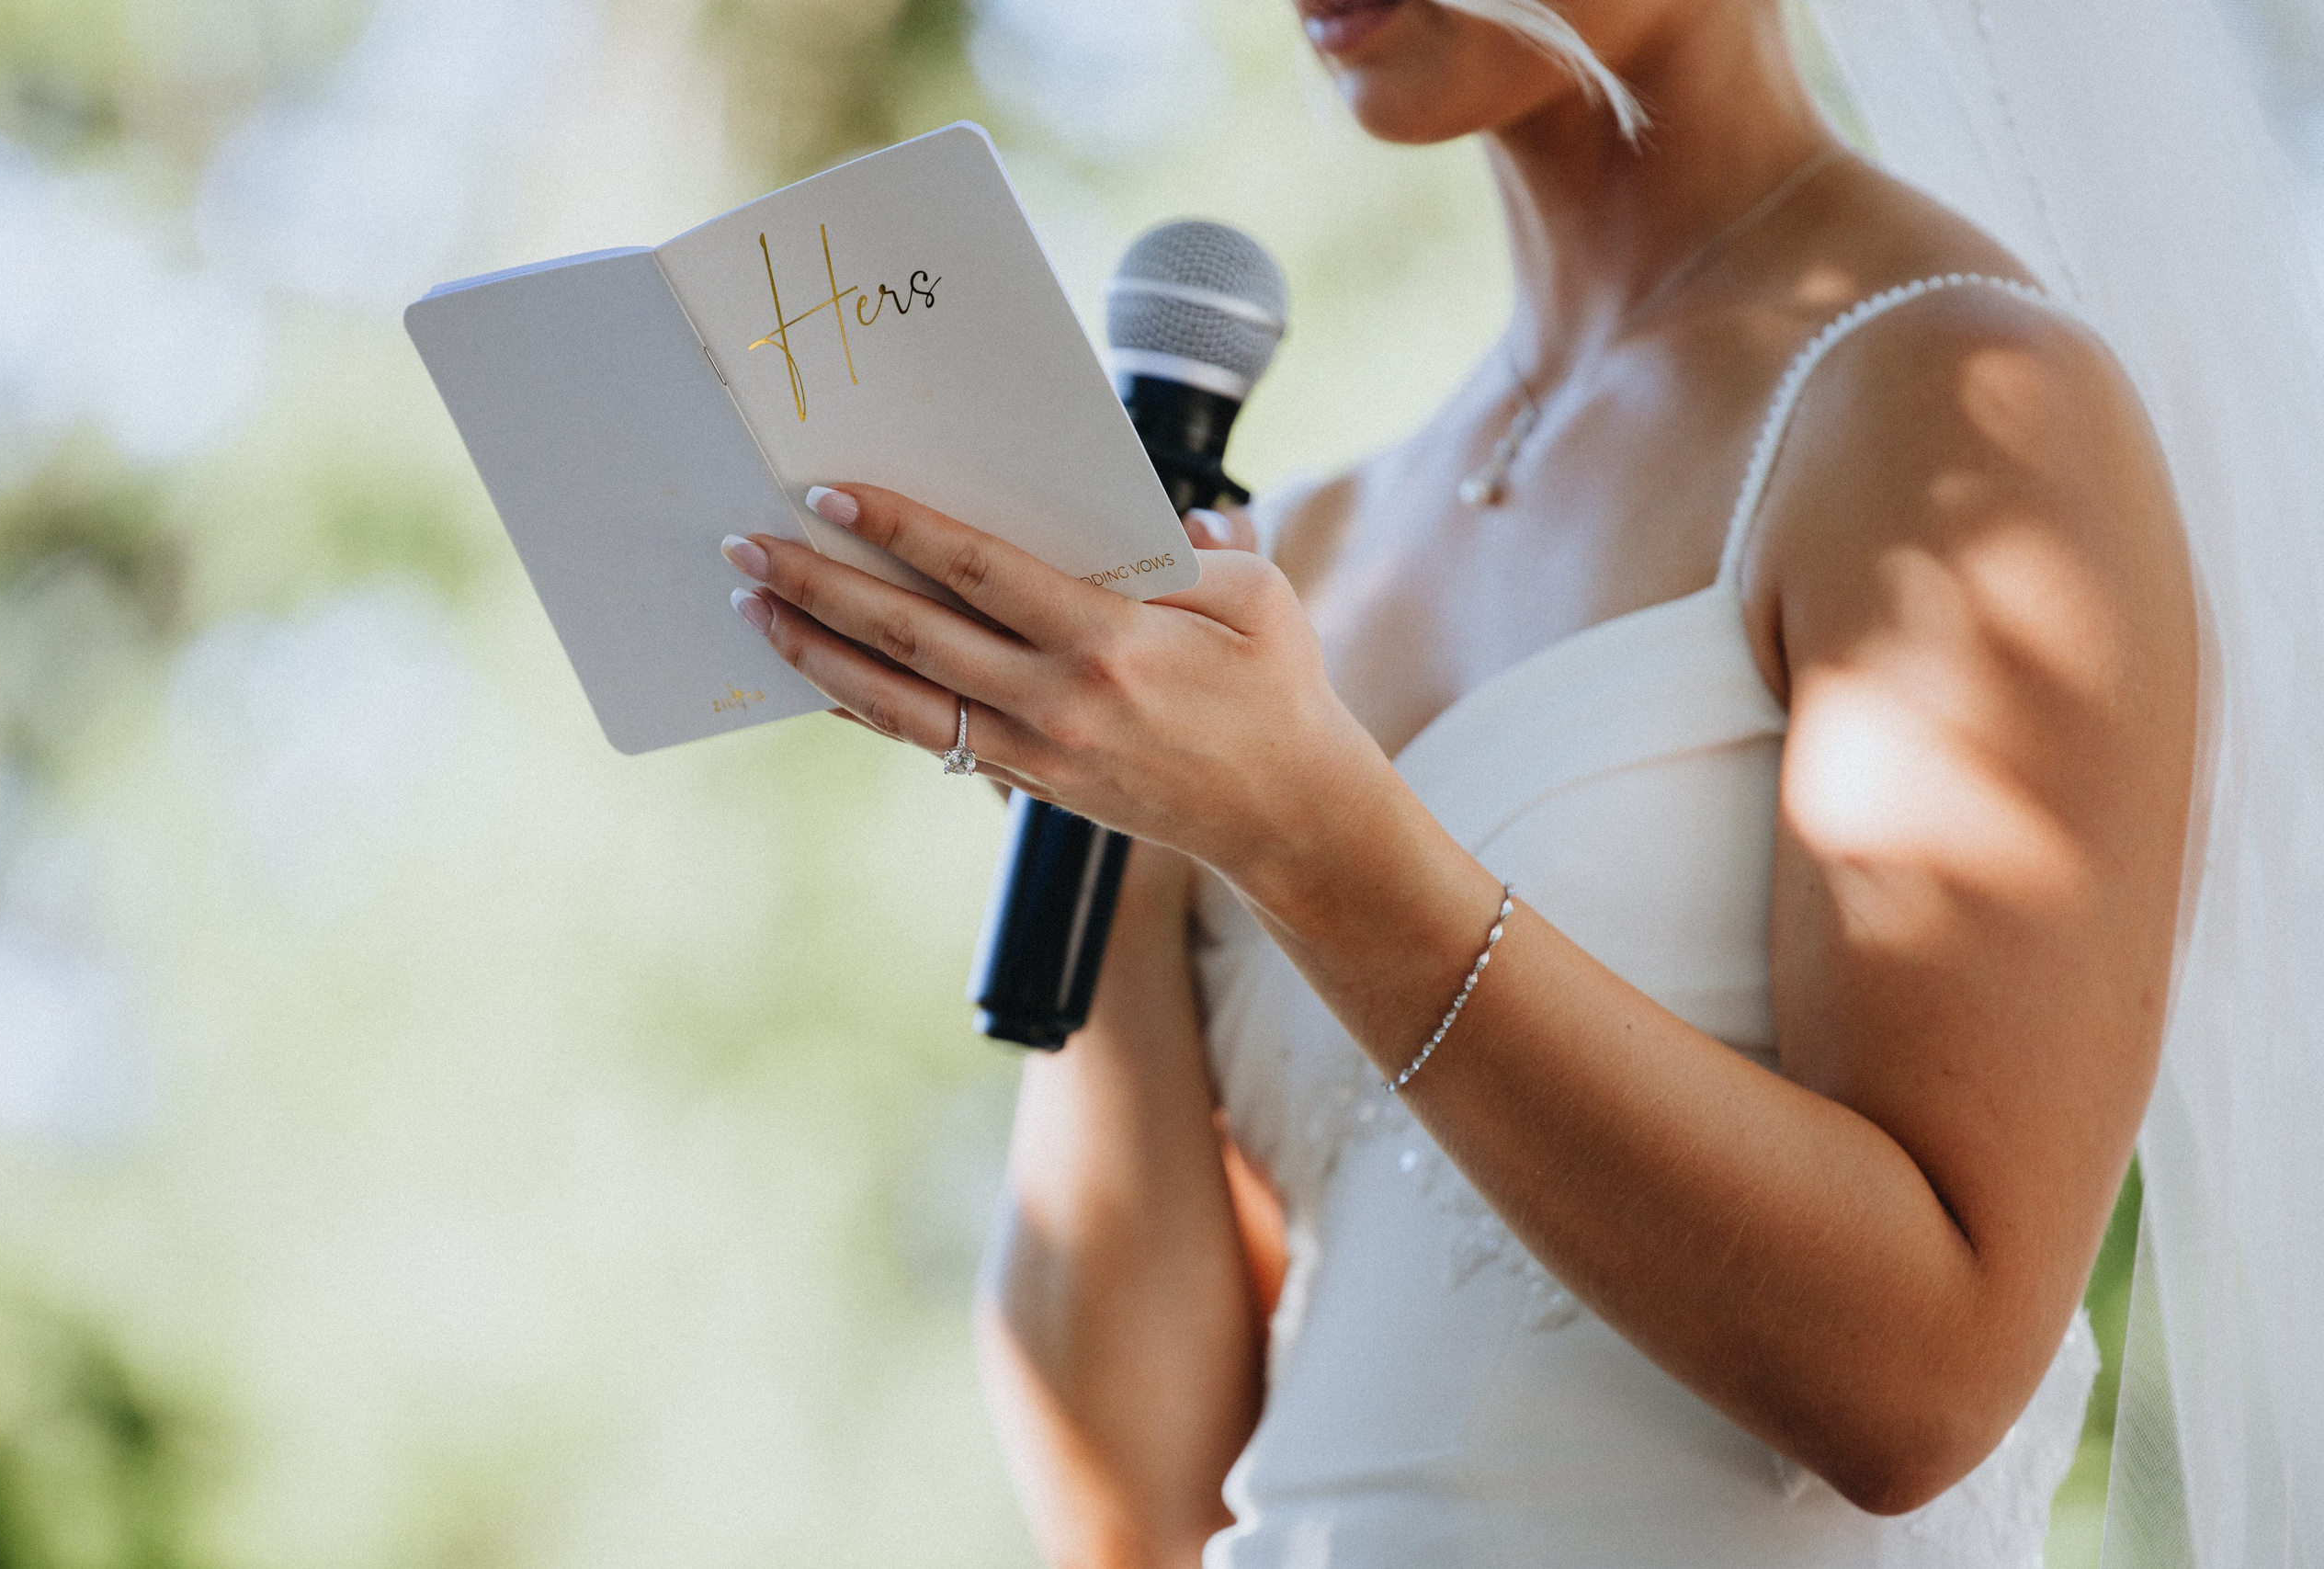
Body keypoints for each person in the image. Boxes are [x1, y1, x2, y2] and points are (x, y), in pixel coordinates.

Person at [718, 0, 2206, 1562]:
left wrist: (1311, 836)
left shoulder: (1963, 408)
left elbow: (1924, 1388)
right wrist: (1117, 819)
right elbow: (1137, 1515)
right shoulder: (1321, 541)